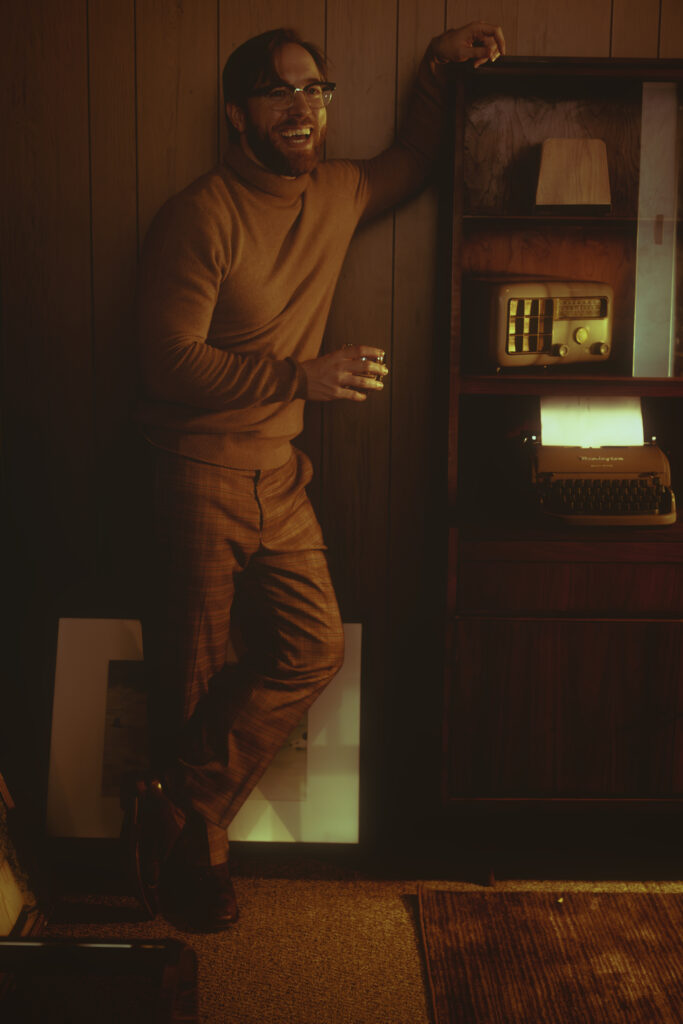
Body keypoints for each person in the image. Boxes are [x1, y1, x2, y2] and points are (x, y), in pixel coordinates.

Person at [123, 20, 505, 931]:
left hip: (278, 475)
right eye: (278, 91)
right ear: (237, 114)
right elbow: (164, 362)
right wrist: (304, 376)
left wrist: (436, 68)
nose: (302, 107)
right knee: (192, 677)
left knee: (313, 647)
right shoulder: (199, 213)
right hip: (193, 471)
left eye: (314, 90)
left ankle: (177, 802)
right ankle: (198, 859)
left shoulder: (335, 192)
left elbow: (413, 159)